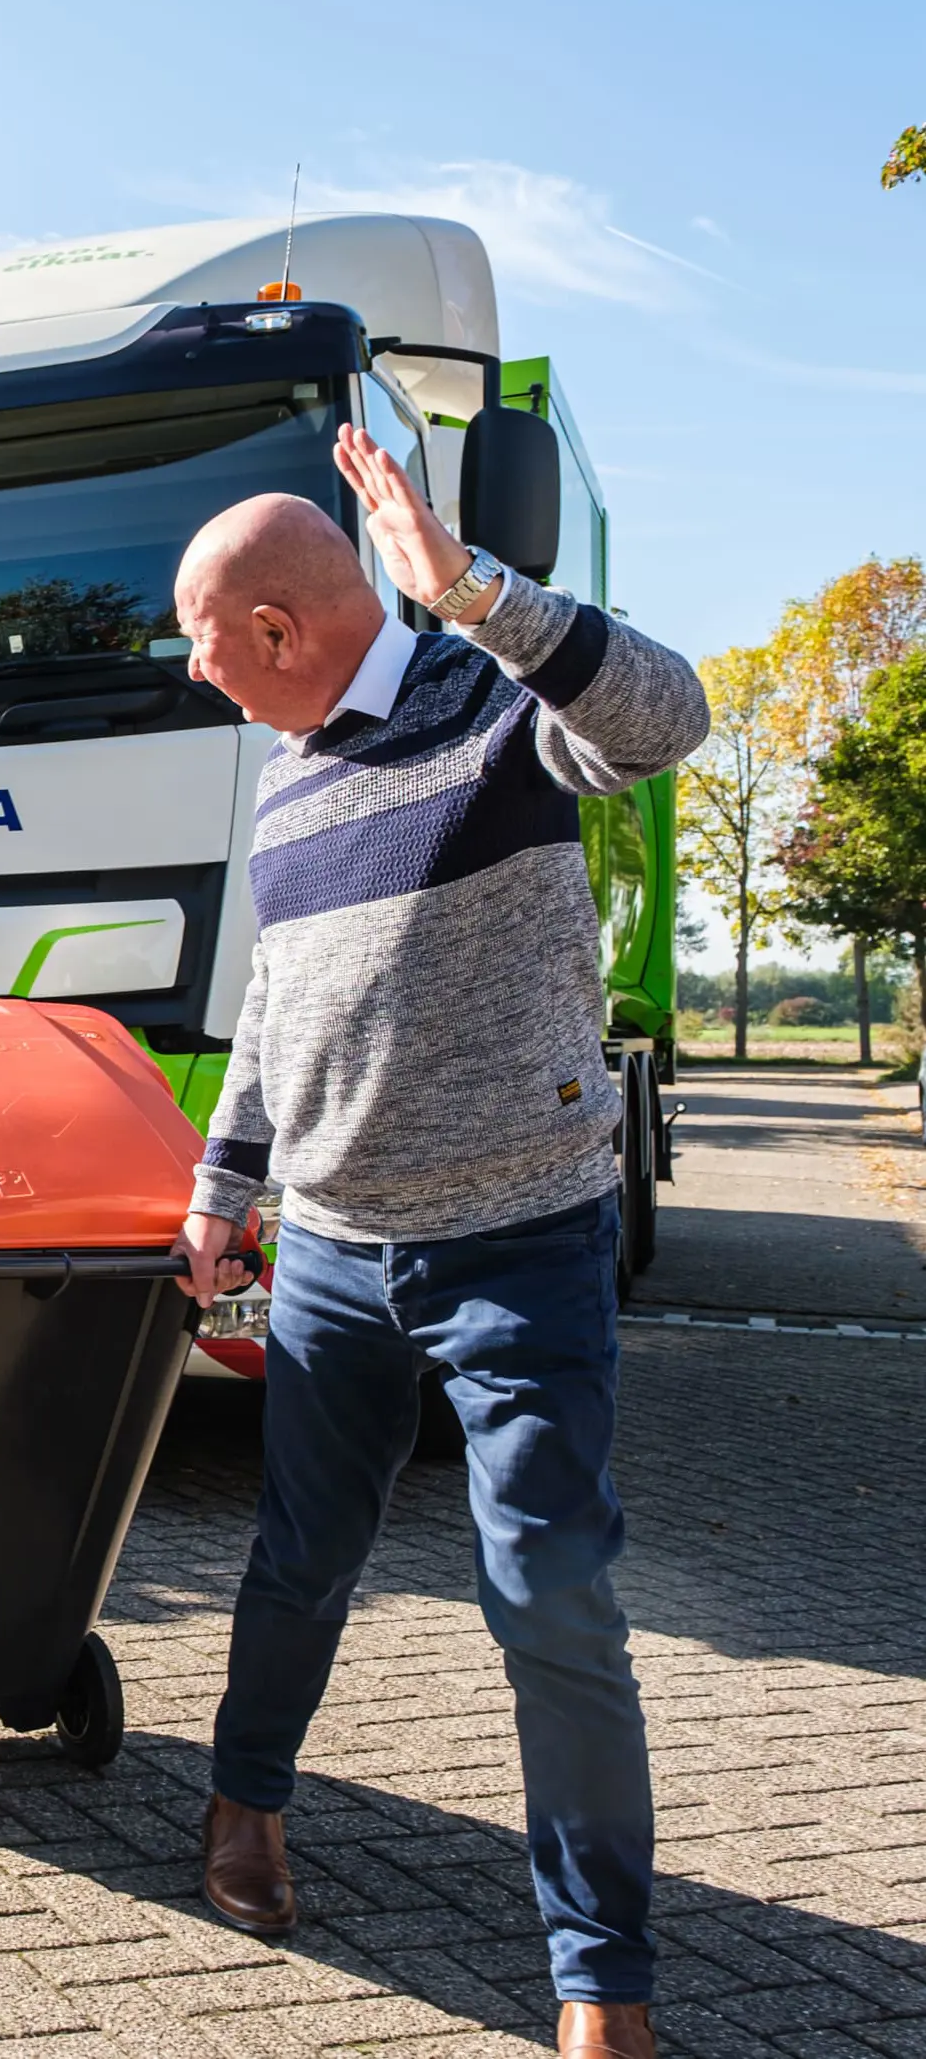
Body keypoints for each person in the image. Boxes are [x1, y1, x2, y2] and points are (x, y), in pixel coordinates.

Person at [168, 425, 708, 2059]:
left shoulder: (499, 708)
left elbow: (666, 717)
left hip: (517, 1240)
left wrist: (474, 590)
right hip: (329, 1246)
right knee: (296, 1560)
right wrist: (221, 1184)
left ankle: (594, 1978)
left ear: (274, 627)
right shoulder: (286, 774)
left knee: (549, 1586)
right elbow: (276, 1006)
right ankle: (243, 1802)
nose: (200, 683)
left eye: (205, 650)